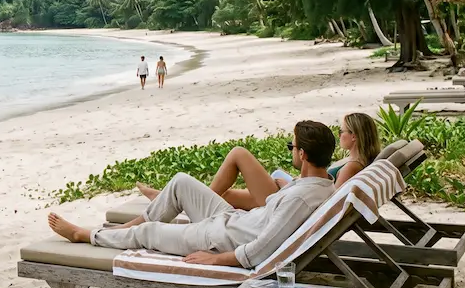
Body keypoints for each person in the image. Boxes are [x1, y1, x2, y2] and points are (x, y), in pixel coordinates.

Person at [48, 121, 336, 267]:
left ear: (303, 154)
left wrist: (216, 259)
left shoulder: (301, 198)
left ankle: (85, 235)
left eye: (292, 146)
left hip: (219, 240)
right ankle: (126, 226)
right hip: (231, 221)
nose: (290, 150)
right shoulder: (321, 186)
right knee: (181, 181)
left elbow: (260, 250)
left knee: (148, 232)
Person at [136, 112, 382, 211]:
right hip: (291, 195)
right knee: (228, 196)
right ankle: (173, 198)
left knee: (238, 154)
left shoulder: (351, 167)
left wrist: (287, 186)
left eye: (342, 132)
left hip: (287, 202)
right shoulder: (353, 161)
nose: (339, 135)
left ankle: (171, 198)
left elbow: (328, 202)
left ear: (354, 137)